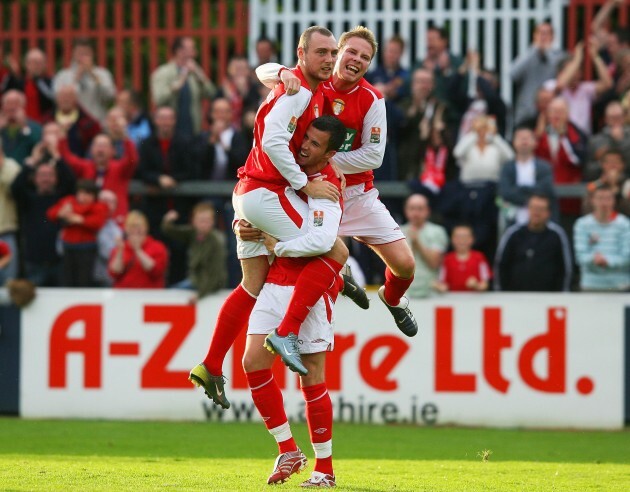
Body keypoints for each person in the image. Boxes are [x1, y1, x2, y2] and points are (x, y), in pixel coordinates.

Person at [188, 26, 350, 406]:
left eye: (332, 53)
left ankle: (211, 364)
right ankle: (293, 327)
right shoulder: (299, 93)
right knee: (333, 250)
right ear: (302, 54)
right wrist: (303, 183)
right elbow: (276, 141)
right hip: (267, 191)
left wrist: (279, 72)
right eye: (321, 53)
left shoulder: (292, 84)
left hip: (249, 190)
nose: (328, 60)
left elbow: (264, 71)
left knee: (251, 284)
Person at [260, 25, 419, 336]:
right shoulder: (315, 83)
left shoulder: (373, 99)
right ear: (338, 53)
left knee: (405, 266)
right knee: (323, 265)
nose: (357, 60)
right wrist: (280, 71)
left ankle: (392, 297)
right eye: (351, 52)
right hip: (318, 192)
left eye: (365, 57)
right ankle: (306, 321)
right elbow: (262, 71)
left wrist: (329, 161)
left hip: (358, 194)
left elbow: (374, 156)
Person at [238, 115, 346, 487]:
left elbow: (323, 242)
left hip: (309, 286)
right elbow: (258, 202)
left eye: (315, 145)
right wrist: (243, 223)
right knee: (252, 362)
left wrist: (277, 244)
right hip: (276, 279)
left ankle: (325, 470)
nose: (304, 146)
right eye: (306, 138)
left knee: (312, 377)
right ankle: (288, 449)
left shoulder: (329, 185)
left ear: (330, 153)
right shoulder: (287, 171)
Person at [11, 158, 76, 286]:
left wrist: (58, 159)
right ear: (34, 179)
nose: (46, 179)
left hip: (59, 262)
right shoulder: (27, 199)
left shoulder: (62, 198)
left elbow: (71, 181)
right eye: (42, 175)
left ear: (56, 179)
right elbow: (16, 187)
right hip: (34, 262)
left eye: (50, 175)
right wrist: (31, 162)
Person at [494, 194, 572, 292]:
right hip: (514, 297)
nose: (537, 212)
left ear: (548, 213)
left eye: (541, 209)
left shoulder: (557, 235)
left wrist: (562, 295)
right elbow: (501, 265)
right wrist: (501, 293)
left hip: (549, 298)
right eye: (534, 208)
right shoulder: (513, 234)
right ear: (528, 209)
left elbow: (565, 269)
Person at [59, 131, 138, 224]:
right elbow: (67, 158)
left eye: (104, 146)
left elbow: (132, 159)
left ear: (113, 150)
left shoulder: (120, 169)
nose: (100, 150)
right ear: (91, 150)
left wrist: (125, 138)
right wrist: (62, 135)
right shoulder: (85, 167)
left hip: (115, 222)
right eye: (97, 145)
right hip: (89, 223)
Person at [47, 180, 108, 287]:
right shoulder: (68, 201)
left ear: (94, 196)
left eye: (87, 194)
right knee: (67, 278)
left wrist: (80, 219)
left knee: (83, 280)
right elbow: (50, 213)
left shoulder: (99, 206)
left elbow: (97, 222)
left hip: (87, 248)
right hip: (68, 246)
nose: (83, 197)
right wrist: (60, 213)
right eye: (81, 193)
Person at [150, 36, 216, 137]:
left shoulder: (195, 71)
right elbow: (158, 100)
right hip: (171, 133)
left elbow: (212, 94)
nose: (195, 52)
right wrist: (177, 85)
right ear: (179, 51)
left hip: (193, 131)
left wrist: (200, 78)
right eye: (191, 49)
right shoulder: (162, 73)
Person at [161, 203, 228, 299]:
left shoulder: (216, 241)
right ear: (193, 221)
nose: (204, 224)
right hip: (195, 281)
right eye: (201, 220)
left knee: (171, 295)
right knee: (170, 294)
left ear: (213, 222)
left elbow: (216, 274)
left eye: (207, 221)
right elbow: (170, 231)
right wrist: (167, 221)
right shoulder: (193, 233)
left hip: (209, 285)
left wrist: (200, 295)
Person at [551, 38, 613, 135]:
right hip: (562, 137)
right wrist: (577, 59)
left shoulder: (586, 88)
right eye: (572, 70)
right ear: (562, 72)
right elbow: (561, 84)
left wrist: (595, 56)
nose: (575, 74)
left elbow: (608, 84)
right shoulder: (553, 85)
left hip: (583, 139)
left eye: (578, 70)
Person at [574, 186, 630, 292]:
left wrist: (607, 262)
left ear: (614, 201)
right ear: (592, 200)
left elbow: (627, 256)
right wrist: (593, 260)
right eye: (600, 198)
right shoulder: (582, 224)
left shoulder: (625, 224)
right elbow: (580, 256)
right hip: (590, 286)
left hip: (620, 286)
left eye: (608, 198)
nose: (604, 203)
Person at [498, 127, 557, 226]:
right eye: (520, 137)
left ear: (535, 142)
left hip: (541, 223)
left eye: (528, 138)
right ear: (513, 142)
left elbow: (545, 190)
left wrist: (520, 190)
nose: (524, 140)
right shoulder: (507, 168)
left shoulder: (544, 167)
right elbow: (505, 192)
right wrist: (531, 196)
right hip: (514, 221)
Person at [397, 68, 448, 181]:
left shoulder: (439, 107)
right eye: (420, 81)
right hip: (406, 163)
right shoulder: (403, 105)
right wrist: (415, 108)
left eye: (427, 82)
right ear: (413, 84)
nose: (424, 86)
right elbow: (399, 129)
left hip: (432, 164)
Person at [510, 21, 565, 126]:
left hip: (551, 114)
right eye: (540, 33)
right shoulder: (527, 56)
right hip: (526, 113)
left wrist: (547, 53)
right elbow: (513, 74)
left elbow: (562, 78)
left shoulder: (559, 57)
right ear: (534, 36)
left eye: (547, 33)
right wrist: (535, 50)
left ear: (553, 37)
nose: (543, 37)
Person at [53, 38, 116, 122]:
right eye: (79, 53)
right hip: (71, 122)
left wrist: (93, 75)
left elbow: (110, 96)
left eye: (86, 53)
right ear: (73, 54)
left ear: (92, 54)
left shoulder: (103, 73)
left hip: (97, 121)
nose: (82, 57)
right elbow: (58, 99)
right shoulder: (63, 75)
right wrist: (76, 78)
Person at [401, 194, 448, 298]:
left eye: (420, 209)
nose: (416, 213)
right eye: (412, 208)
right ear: (406, 210)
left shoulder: (437, 231)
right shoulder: (397, 232)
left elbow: (434, 263)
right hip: (404, 292)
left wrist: (417, 243)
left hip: (431, 290)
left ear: (427, 211)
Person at [108, 210, 169, 289]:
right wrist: (119, 251)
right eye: (132, 227)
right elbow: (114, 273)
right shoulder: (120, 247)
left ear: (146, 228)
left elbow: (156, 271)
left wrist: (138, 250)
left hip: (149, 295)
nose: (135, 230)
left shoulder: (157, 247)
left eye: (139, 227)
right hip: (123, 295)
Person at [196, 97, 249, 181]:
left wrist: (224, 146)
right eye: (217, 112)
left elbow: (241, 164)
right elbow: (198, 165)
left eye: (225, 112)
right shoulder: (202, 137)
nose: (221, 115)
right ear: (211, 114)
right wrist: (212, 141)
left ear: (231, 114)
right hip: (206, 187)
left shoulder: (239, 137)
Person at [453, 115, 514, 184]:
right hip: (468, 185)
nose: (483, 131)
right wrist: (474, 134)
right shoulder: (468, 145)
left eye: (485, 128)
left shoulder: (496, 146)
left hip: (492, 185)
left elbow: (510, 157)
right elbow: (457, 153)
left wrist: (495, 136)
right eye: (480, 129)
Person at [3, 48, 54, 124]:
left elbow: (51, 100)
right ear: (26, 64)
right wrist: (12, 75)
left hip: (43, 123)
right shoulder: (17, 82)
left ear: (44, 65)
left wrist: (38, 81)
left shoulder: (50, 82)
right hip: (19, 124)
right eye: (34, 62)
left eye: (40, 63)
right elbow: (4, 94)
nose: (37, 66)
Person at [434, 224, 491, 293]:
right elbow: (442, 281)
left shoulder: (479, 257)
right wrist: (439, 287)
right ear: (452, 239)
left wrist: (477, 285)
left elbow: (485, 283)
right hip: (453, 300)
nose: (461, 240)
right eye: (458, 237)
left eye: (465, 237)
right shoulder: (447, 259)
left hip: (475, 299)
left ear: (472, 239)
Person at [51, 84, 102, 157]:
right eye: (62, 96)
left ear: (76, 99)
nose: (65, 99)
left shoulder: (89, 123)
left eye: (69, 96)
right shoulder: (47, 120)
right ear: (57, 99)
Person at [586, 101, 630, 180]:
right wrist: (603, 163)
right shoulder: (595, 141)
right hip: (602, 182)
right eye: (612, 118)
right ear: (606, 119)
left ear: (623, 117)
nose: (616, 121)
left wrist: (620, 141)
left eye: (618, 117)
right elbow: (587, 171)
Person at [0, 90, 42, 164]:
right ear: (3, 106)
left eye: (16, 103)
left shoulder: (34, 127)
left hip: (24, 170)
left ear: (23, 106)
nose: (12, 107)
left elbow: (38, 145)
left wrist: (24, 126)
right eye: (8, 103)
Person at [585, 149, 630, 216]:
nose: (612, 166)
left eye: (616, 162)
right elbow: (586, 210)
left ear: (623, 165)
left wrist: (615, 188)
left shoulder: (628, 184)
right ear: (602, 164)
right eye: (609, 162)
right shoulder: (594, 185)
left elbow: (627, 211)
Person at [366, 35, 409, 102]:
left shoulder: (406, 76)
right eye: (389, 51)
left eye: (395, 52)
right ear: (384, 52)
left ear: (401, 53)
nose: (391, 55)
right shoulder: (373, 74)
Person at [0, 140, 20, 283]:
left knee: (9, 280)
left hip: (5, 231)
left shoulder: (11, 166)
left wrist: (1, 169)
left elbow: (16, 190)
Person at [94, 190, 123, 287]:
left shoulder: (118, 230)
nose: (108, 205)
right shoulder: (83, 221)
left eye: (112, 202)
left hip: (107, 280)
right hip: (84, 278)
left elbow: (109, 254)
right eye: (105, 201)